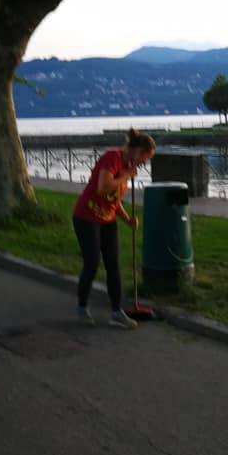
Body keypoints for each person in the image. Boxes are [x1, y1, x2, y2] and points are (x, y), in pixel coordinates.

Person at [72, 128, 156, 329]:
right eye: (145, 157)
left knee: (113, 264)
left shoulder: (127, 165)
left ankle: (117, 312)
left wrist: (127, 219)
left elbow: (113, 199)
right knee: (92, 263)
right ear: (136, 150)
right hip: (86, 217)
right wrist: (125, 174)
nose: (144, 163)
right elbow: (103, 187)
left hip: (107, 219)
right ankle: (82, 308)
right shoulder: (113, 158)